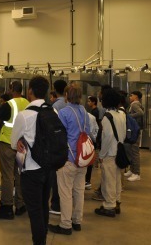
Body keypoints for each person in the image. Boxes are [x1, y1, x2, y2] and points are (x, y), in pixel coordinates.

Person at [11, 76, 52, 245]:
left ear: (30, 91)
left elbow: (14, 142)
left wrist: (20, 141)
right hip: (48, 168)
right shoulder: (52, 111)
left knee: (34, 210)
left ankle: (39, 242)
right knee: (43, 206)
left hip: (31, 169)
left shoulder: (24, 115)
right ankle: (43, 238)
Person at [48, 84, 90, 235]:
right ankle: (77, 221)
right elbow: (89, 132)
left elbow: (59, 135)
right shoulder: (85, 112)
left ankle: (65, 225)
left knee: (65, 192)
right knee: (79, 191)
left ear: (66, 95)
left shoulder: (64, 112)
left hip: (68, 158)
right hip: (82, 157)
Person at [0, 81, 29, 219]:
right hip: (23, 145)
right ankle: (20, 205)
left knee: (7, 176)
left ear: (12, 89)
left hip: (8, 144)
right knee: (20, 174)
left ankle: (6, 207)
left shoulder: (8, 105)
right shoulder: (27, 103)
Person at [95, 88, 126, 217]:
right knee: (117, 179)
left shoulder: (107, 117)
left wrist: (101, 155)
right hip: (119, 151)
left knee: (108, 180)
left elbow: (107, 138)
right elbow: (123, 133)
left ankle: (109, 206)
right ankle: (117, 202)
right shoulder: (122, 114)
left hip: (109, 153)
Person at [48, 79, 67, 216]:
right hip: (69, 146)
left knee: (56, 176)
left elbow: (52, 127)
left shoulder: (56, 106)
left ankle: (56, 205)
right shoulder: (70, 104)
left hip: (57, 145)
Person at [124, 91, 144, 182]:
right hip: (135, 130)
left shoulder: (135, 104)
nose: (130, 97)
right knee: (132, 151)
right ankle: (132, 170)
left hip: (134, 131)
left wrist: (129, 116)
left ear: (136, 96)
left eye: (131, 95)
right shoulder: (136, 104)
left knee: (135, 152)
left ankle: (137, 173)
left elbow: (141, 113)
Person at [85, 96, 100, 190]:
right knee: (89, 162)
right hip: (90, 143)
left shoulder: (93, 113)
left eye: (89, 101)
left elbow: (91, 131)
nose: (88, 103)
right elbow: (96, 130)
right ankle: (87, 181)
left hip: (85, 143)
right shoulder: (92, 115)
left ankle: (85, 181)